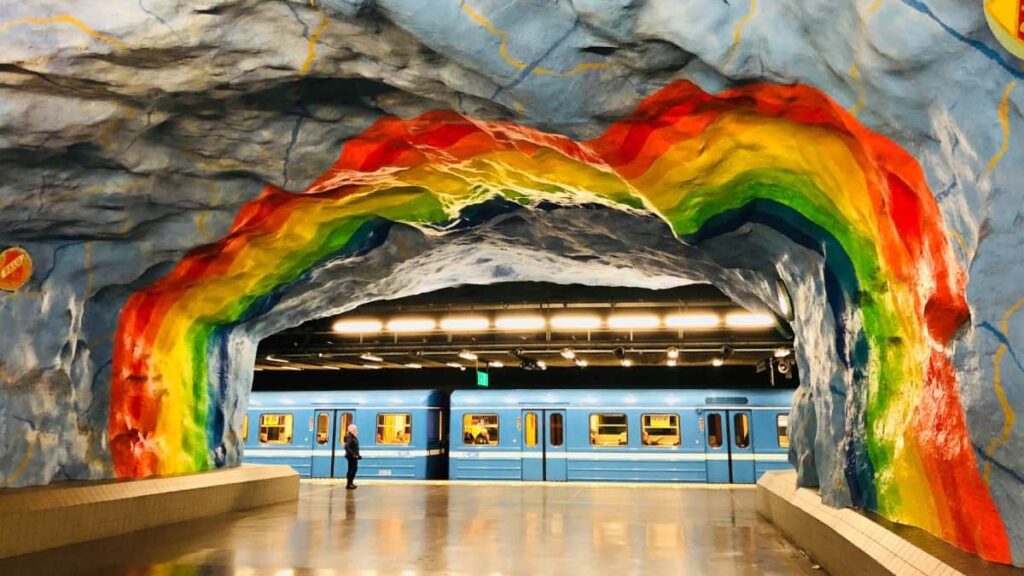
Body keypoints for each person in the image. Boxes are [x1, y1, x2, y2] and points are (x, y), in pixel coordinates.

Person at [344, 424, 361, 490]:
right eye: (355, 429)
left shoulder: (353, 436)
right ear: (352, 430)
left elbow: (354, 446)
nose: (356, 430)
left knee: (353, 469)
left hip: (354, 456)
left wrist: (358, 455)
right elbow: (346, 446)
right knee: (352, 470)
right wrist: (353, 454)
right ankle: (349, 484)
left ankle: (350, 483)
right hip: (351, 456)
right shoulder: (350, 436)